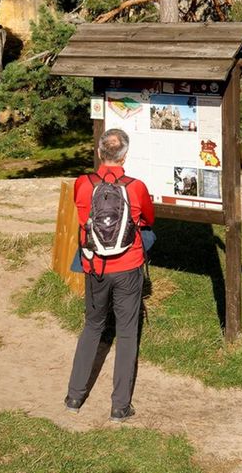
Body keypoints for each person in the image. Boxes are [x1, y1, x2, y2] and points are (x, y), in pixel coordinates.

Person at [65, 127, 153, 422]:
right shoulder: (136, 187)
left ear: (100, 153)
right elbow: (148, 219)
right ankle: (119, 406)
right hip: (128, 267)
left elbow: (81, 218)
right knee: (127, 333)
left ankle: (74, 396)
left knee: (92, 326)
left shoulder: (82, 183)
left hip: (94, 267)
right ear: (125, 156)